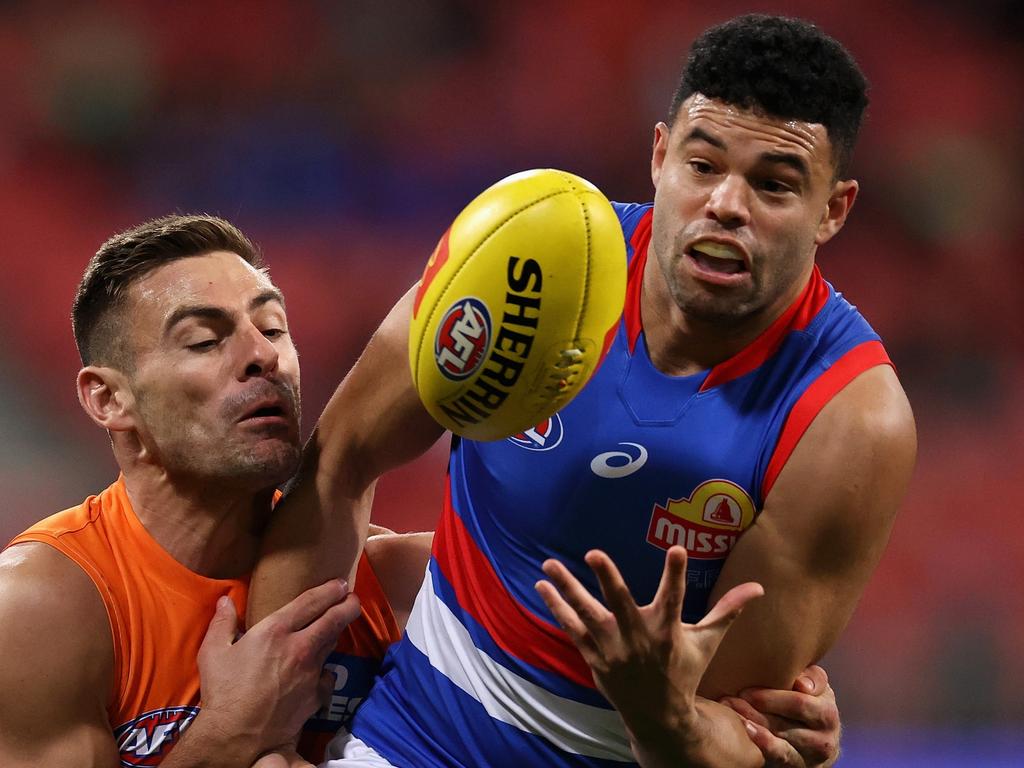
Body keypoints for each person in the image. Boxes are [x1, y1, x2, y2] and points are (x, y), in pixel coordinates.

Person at [248, 13, 915, 768]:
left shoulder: (849, 419)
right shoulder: (527, 261)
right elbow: (338, 466)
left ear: (833, 210)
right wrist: (262, 740)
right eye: (704, 166)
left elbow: (752, 743)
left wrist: (659, 711)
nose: (728, 205)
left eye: (773, 185)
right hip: (415, 738)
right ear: (661, 155)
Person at [0, 215, 409, 767]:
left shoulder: (394, 584)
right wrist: (232, 732)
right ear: (108, 400)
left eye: (272, 328)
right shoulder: (43, 609)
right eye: (204, 340)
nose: (262, 356)